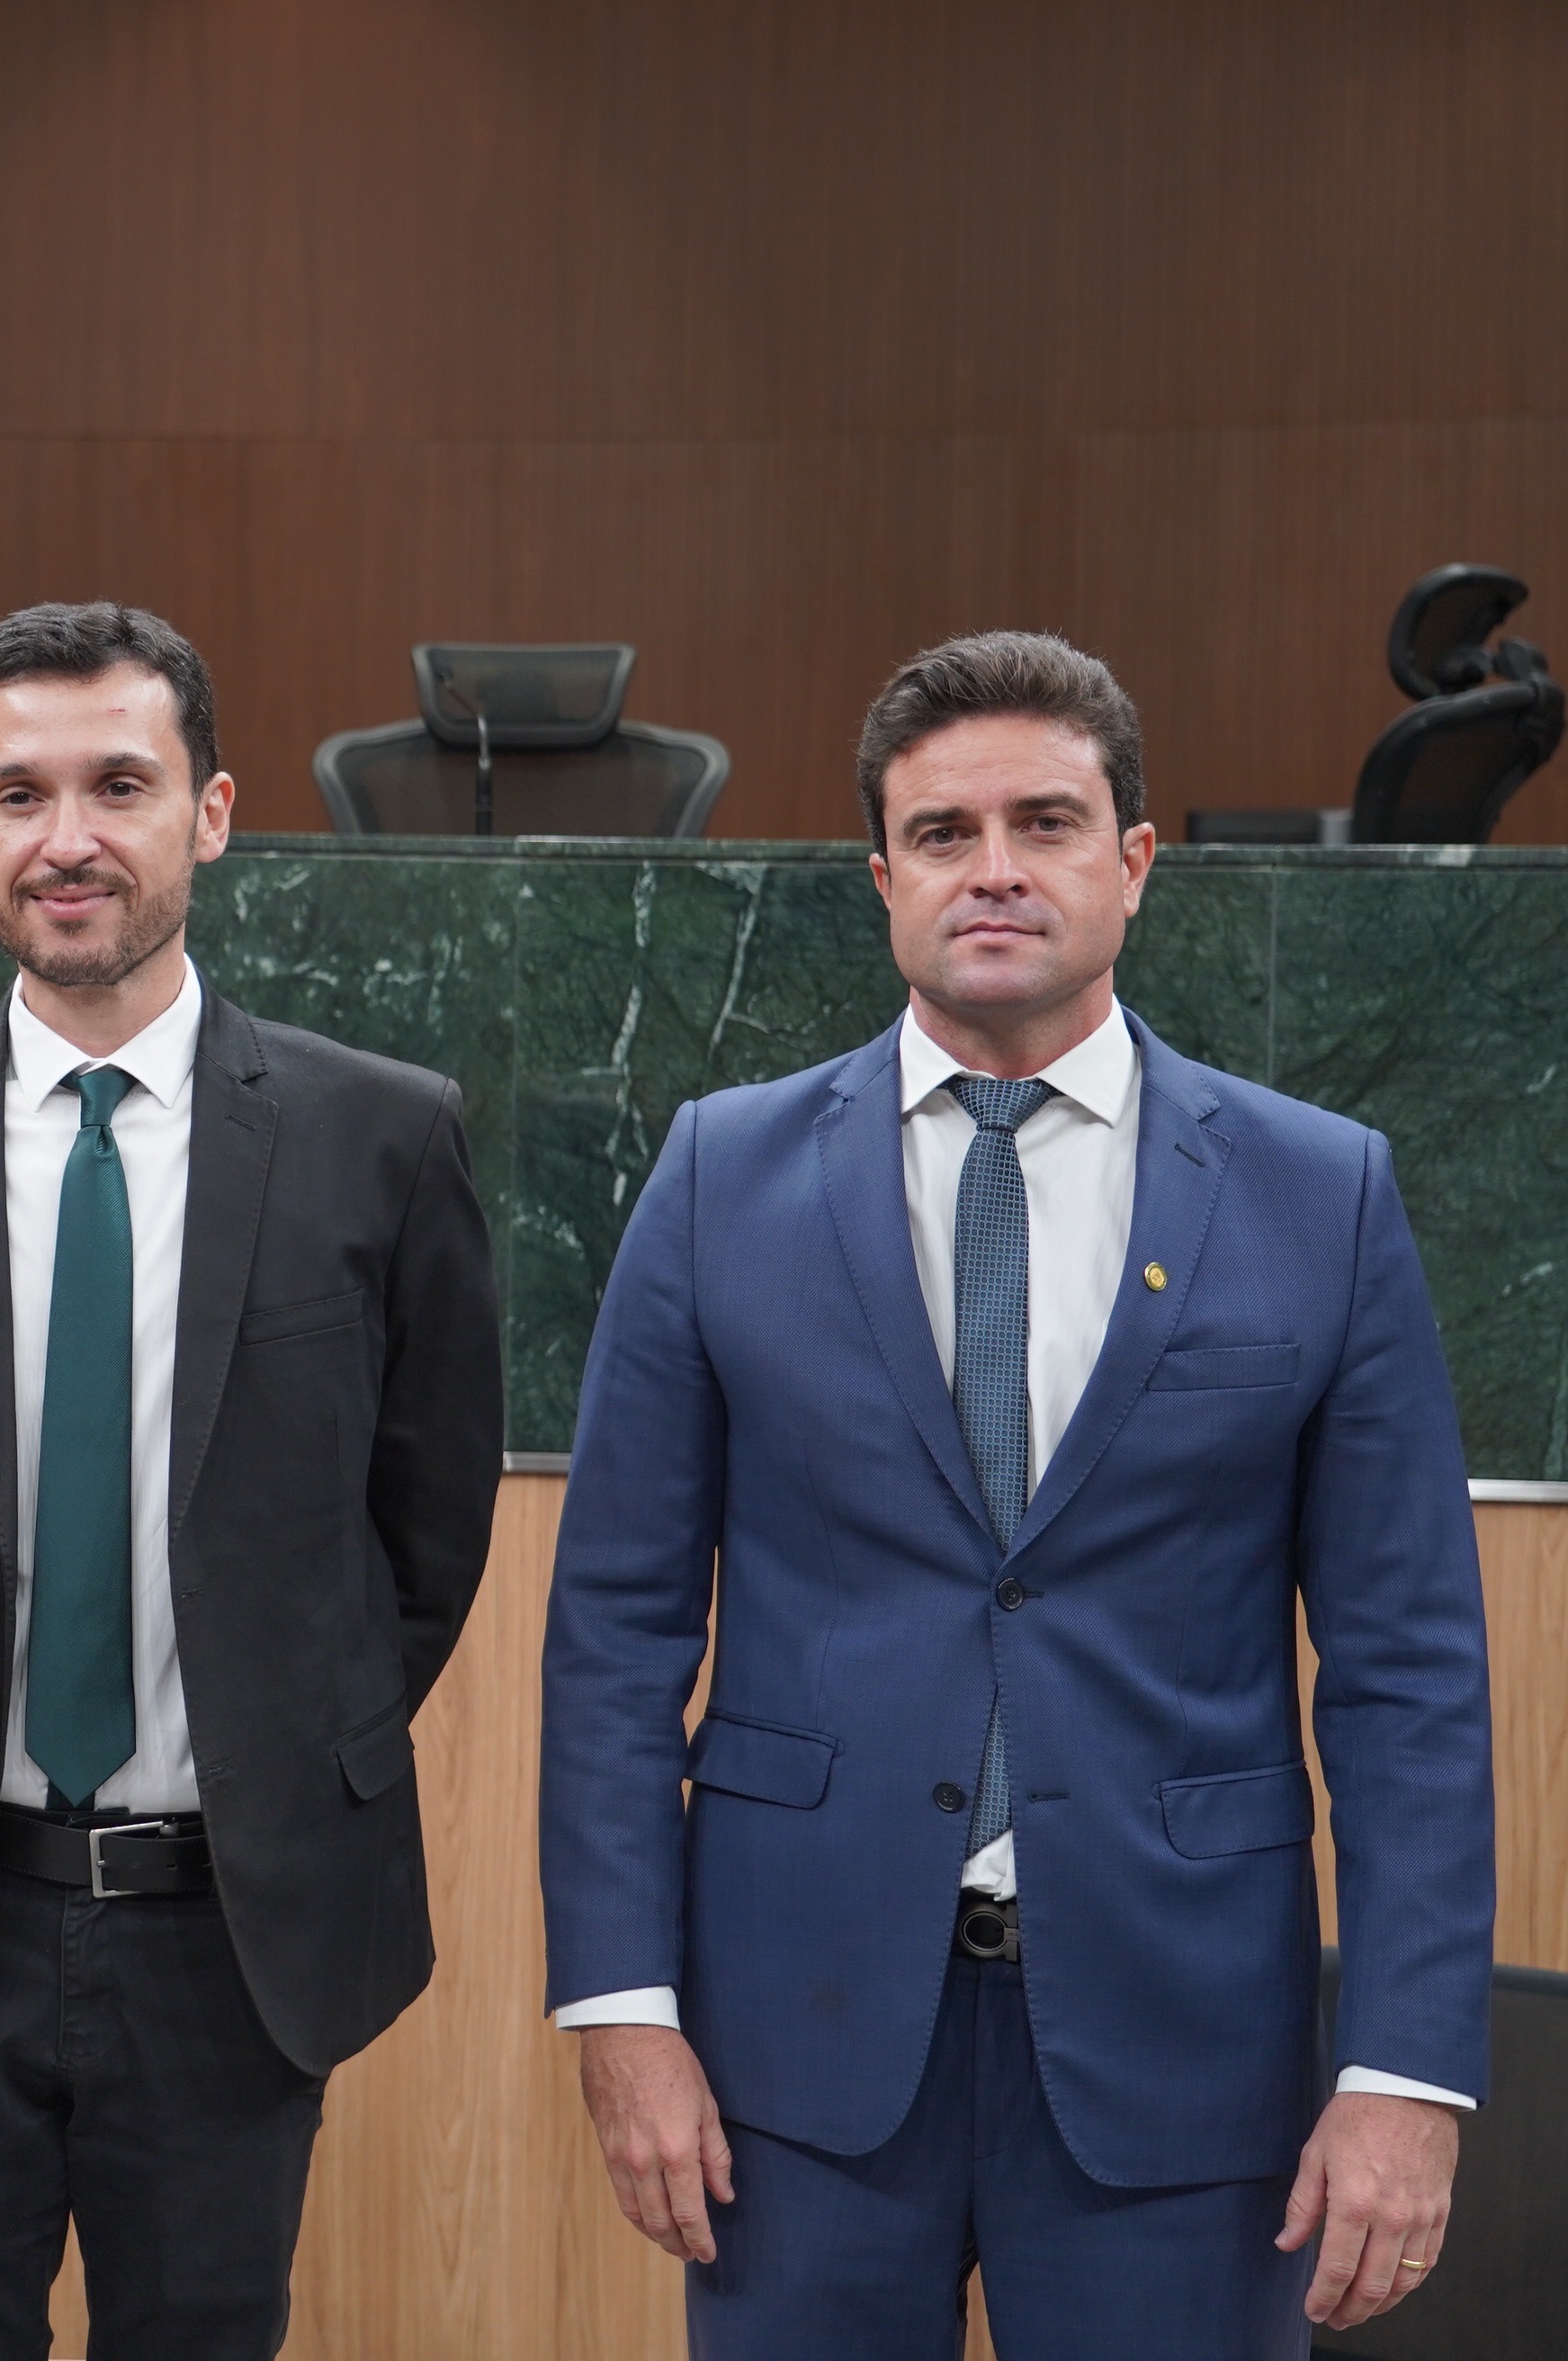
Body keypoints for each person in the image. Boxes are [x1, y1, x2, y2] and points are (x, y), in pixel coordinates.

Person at [540, 631, 1495, 2356]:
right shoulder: (718, 1176)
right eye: (942, 832)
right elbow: (615, 1628)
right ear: (882, 879)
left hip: (1187, 2050)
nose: (992, 868)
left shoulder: (1319, 1190)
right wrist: (621, 2001)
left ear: (1134, 860)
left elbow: (1407, 1668)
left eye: (1043, 822)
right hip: (793, 2048)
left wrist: (1405, 2063)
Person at [0, 601, 506, 2359]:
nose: (67, 837)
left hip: (230, 1926)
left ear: (210, 812)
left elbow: (424, 1535)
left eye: (119, 784)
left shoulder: (380, 1136)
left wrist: (270, 1742)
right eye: (19, 794)